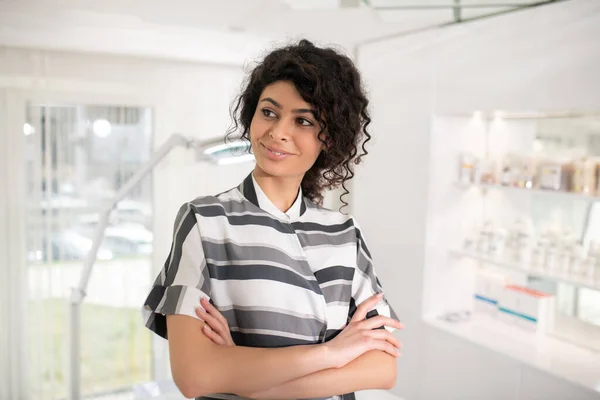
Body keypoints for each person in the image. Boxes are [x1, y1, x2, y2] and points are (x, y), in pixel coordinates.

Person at [142, 39, 403, 400]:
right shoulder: (205, 221)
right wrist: (330, 353)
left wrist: (245, 376)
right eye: (269, 112)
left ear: (328, 139)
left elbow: (382, 368)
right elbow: (195, 376)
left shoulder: (344, 234)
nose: (279, 131)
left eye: (303, 121)